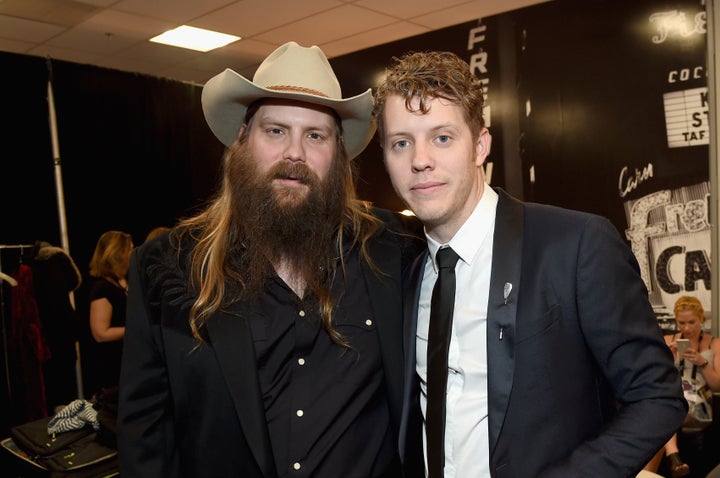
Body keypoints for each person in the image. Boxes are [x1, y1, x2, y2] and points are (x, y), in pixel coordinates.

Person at [372, 50, 688, 477]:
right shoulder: (402, 266)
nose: (420, 159)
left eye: (442, 137)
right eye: (401, 142)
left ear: (480, 145)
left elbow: (658, 397)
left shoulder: (574, 245)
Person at [117, 41, 424, 478]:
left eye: (314, 135)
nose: (294, 153)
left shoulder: (394, 247)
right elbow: (145, 435)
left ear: (337, 155)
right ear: (242, 140)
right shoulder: (166, 267)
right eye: (276, 130)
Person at [654, 295, 720, 477]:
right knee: (666, 404)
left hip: (700, 399)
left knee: (666, 410)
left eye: (692, 322)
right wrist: (668, 358)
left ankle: (671, 455)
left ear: (701, 319)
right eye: (681, 323)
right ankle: (673, 456)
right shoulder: (668, 341)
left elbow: (716, 386)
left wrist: (702, 363)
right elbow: (655, 379)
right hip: (674, 393)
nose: (687, 328)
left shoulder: (714, 344)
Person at [30, 240, 82, 414]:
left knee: (53, 382)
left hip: (47, 331)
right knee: (63, 379)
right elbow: (68, 289)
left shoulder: (37, 267)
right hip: (61, 331)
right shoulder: (56, 263)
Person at [85, 230, 133, 399]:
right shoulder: (102, 288)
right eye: (129, 249)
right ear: (118, 253)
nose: (132, 253)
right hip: (111, 370)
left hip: (126, 365)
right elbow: (100, 333)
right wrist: (137, 330)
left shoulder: (121, 282)